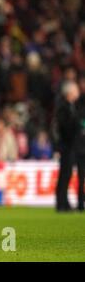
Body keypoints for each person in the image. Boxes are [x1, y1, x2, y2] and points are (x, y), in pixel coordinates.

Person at [54, 80, 82, 212]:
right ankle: (62, 203)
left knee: (67, 174)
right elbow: (64, 128)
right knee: (65, 174)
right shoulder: (64, 107)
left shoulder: (71, 106)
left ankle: (64, 202)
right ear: (70, 93)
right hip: (66, 146)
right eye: (76, 90)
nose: (78, 93)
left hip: (69, 145)